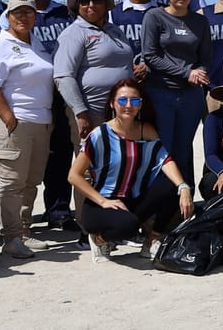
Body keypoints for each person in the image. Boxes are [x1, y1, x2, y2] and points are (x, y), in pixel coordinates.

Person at [68, 77, 194, 260]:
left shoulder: (147, 130)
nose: (128, 105)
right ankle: (99, 239)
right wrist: (104, 202)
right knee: (129, 226)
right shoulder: (99, 135)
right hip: (100, 204)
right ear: (112, 103)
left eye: (134, 101)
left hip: (132, 199)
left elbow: (165, 160)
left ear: (141, 105)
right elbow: (73, 176)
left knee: (172, 187)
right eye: (122, 100)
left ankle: (152, 240)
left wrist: (183, 187)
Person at [0, 0, 56, 260]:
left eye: (28, 12)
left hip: (40, 120)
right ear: (8, 16)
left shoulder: (37, 43)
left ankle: (24, 232)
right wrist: (8, 118)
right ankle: (11, 237)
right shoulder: (0, 45)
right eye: (17, 13)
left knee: (31, 181)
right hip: (13, 122)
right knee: (11, 182)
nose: (23, 17)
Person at [18, 0, 74, 232]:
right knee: (26, 156)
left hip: (60, 92)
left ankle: (59, 209)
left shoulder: (64, 13)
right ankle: (14, 215)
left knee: (61, 154)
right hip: (29, 94)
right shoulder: (16, 14)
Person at [140, 0, 213, 168]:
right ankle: (161, 195)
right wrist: (186, 73)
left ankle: (184, 193)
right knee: (162, 148)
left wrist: (200, 73)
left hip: (191, 95)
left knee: (184, 149)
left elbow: (205, 56)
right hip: (161, 92)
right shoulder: (154, 16)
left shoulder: (200, 21)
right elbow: (150, 56)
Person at [54, 0, 133, 136]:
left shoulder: (116, 30)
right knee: (93, 159)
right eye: (84, 1)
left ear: (105, 3)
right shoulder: (73, 33)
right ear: (78, 5)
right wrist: (80, 112)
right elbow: (63, 76)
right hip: (92, 112)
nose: (91, 5)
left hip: (122, 111)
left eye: (96, 0)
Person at [110, 0, 157, 74]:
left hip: (157, 77)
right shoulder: (113, 13)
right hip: (124, 75)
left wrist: (146, 66)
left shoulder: (163, 12)